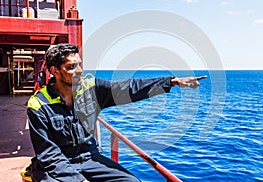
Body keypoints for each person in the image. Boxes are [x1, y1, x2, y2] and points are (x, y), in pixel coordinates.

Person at [27, 43, 206, 182]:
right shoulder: (38, 105)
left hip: (90, 157)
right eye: (72, 67)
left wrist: (172, 82)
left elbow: (128, 88)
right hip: (59, 164)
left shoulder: (91, 89)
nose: (80, 71)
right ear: (55, 71)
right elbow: (48, 154)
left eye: (80, 65)